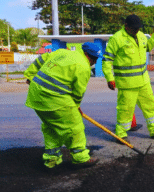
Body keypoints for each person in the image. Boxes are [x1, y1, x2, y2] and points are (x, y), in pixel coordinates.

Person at [23, 42, 102, 170]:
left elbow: (41, 59)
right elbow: (78, 93)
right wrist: (76, 107)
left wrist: (30, 74)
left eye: (97, 59)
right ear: (86, 54)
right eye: (93, 58)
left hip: (35, 95)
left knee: (51, 127)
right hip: (52, 98)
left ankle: (51, 159)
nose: (94, 61)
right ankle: (80, 157)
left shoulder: (62, 52)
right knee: (75, 126)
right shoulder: (83, 66)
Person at [102, 14, 154, 142]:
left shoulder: (141, 35)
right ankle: (121, 135)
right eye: (134, 28)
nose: (137, 30)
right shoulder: (117, 39)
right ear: (126, 26)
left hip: (144, 81)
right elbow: (106, 61)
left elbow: (148, 47)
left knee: (150, 106)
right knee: (125, 110)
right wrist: (109, 77)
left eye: (138, 28)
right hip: (127, 84)